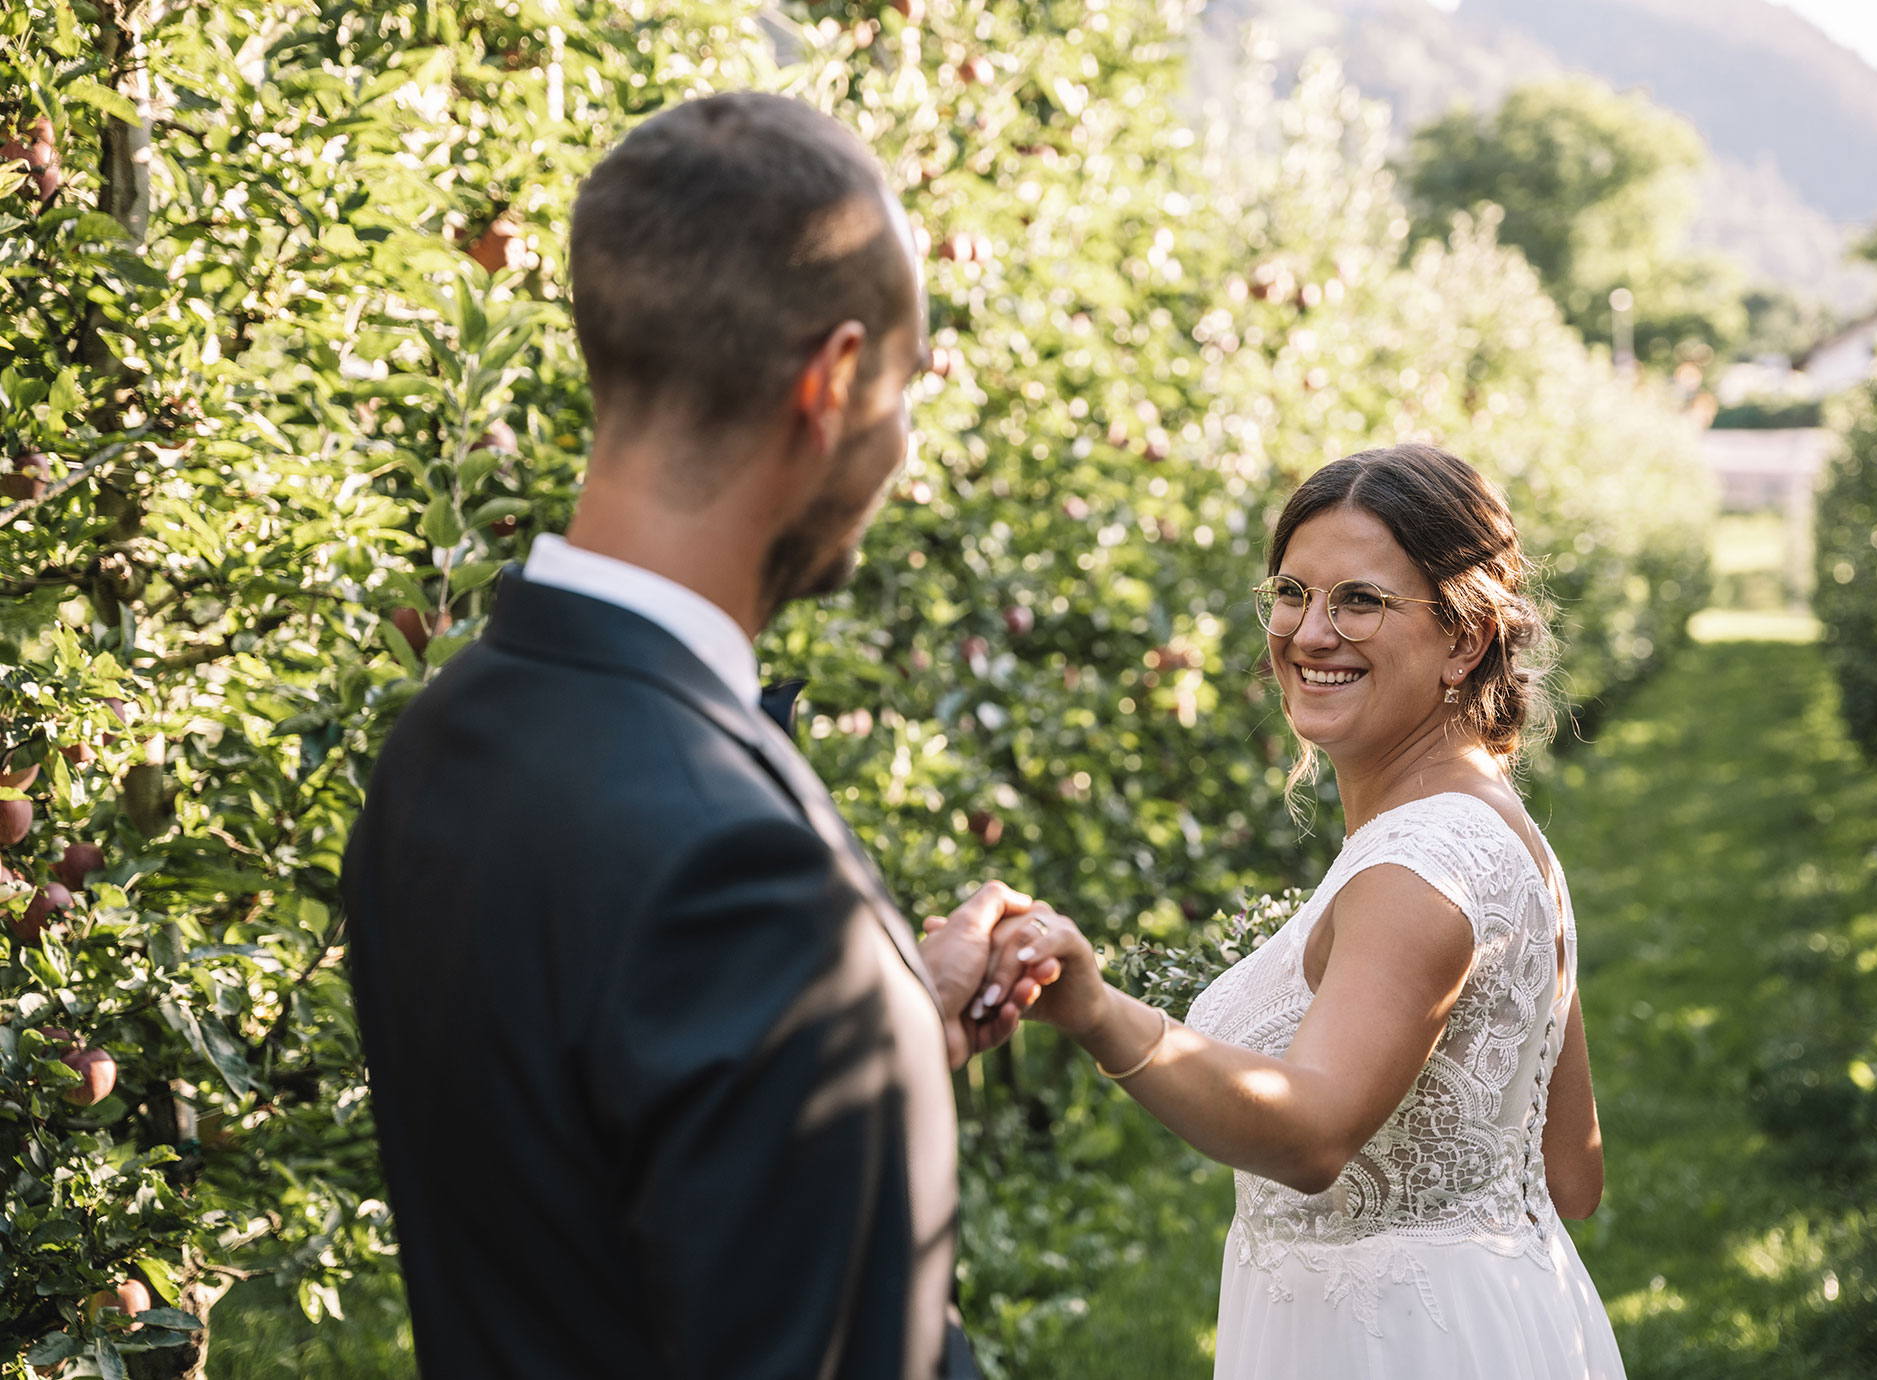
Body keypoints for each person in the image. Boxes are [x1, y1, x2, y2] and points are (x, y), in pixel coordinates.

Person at [342, 93, 1046, 1380]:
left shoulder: (445, 735)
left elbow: (593, 1157)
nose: (903, 444)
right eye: (909, 388)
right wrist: (832, 994)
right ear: (831, 383)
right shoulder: (744, 885)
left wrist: (886, 1020)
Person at [992, 444, 1627, 1378]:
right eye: (1292, 592)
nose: (1310, 632)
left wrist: (1097, 1011)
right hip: (1502, 1318)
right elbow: (1570, 1174)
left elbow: (1312, 1133)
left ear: (1464, 639)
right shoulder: (1497, 829)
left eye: (1360, 600)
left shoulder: (1419, 866)